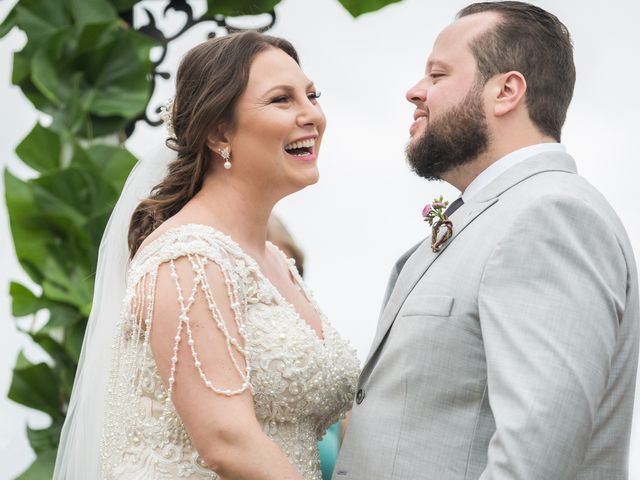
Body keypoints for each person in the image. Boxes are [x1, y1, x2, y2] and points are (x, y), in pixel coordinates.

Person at [335, 2, 639, 479]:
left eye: (437, 75)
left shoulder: (551, 216)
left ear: (505, 91)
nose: (415, 91)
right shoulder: (491, 216)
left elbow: (536, 455)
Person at [53, 31, 360, 480]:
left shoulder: (275, 261)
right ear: (219, 132)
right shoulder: (188, 257)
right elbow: (226, 441)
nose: (311, 114)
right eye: (282, 100)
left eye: (312, 95)